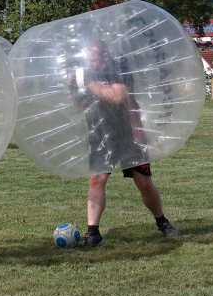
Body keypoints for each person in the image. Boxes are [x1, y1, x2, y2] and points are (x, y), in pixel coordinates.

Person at [68, 40, 179, 248]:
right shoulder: (87, 73)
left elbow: (117, 96)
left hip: (129, 134)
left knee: (144, 183)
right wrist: (73, 85)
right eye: (88, 58)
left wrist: (89, 82)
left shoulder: (119, 69)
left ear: (105, 56)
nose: (91, 61)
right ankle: (93, 232)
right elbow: (79, 103)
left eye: (94, 57)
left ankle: (162, 222)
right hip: (101, 135)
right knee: (96, 181)